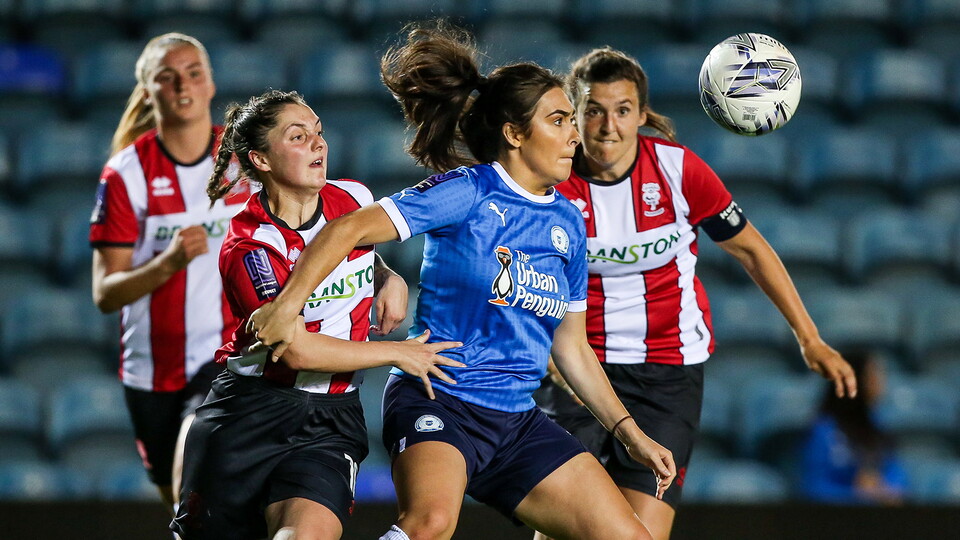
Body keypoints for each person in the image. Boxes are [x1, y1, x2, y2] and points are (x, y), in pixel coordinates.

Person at [246, 23, 676, 540]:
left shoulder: (567, 220)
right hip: (438, 400)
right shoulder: (467, 192)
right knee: (430, 525)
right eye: (559, 119)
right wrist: (286, 306)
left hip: (517, 420)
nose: (574, 134)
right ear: (514, 133)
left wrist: (628, 433)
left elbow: (572, 345)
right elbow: (347, 227)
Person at [532, 47, 859, 540]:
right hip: (578, 371)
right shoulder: (551, 184)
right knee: (564, 528)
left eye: (622, 110)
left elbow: (752, 250)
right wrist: (547, 353)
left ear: (641, 114)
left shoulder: (678, 171)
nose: (607, 126)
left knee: (641, 534)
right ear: (574, 115)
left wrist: (808, 337)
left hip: (667, 373)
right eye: (593, 110)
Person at [170, 89, 464, 540]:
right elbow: (296, 353)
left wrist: (387, 276)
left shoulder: (352, 198)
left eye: (319, 132)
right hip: (248, 417)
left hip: (331, 419)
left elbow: (351, 251)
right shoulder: (251, 248)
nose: (318, 144)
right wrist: (398, 353)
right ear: (261, 160)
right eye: (298, 136)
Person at [89, 32, 254, 512]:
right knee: (175, 497)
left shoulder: (245, 158)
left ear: (211, 85)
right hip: (151, 368)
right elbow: (105, 292)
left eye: (194, 72)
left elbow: (315, 216)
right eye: (167, 76)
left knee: (194, 476)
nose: (182, 84)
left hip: (227, 352)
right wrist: (169, 263)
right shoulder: (126, 174)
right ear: (147, 92)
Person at [801, 349, 907, 505]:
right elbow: (813, 488)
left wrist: (884, 489)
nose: (880, 383)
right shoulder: (822, 432)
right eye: (873, 376)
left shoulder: (878, 427)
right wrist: (858, 494)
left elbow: (897, 475)